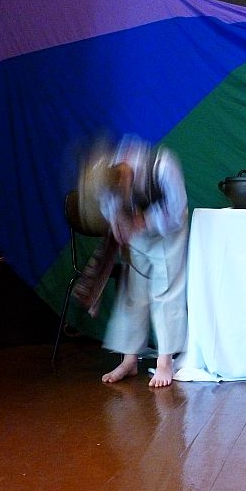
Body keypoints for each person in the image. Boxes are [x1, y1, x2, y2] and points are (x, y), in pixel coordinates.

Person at [96, 134, 189, 387]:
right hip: (137, 234)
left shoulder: (163, 166)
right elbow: (109, 207)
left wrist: (145, 220)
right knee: (132, 293)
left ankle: (164, 362)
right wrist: (120, 226)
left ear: (128, 175)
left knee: (165, 291)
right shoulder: (107, 172)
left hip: (168, 231)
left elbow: (177, 210)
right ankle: (129, 360)